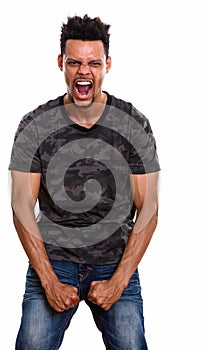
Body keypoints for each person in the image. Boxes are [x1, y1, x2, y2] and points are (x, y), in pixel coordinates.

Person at [9, 14, 160, 350]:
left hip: (114, 263)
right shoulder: (35, 126)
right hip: (54, 261)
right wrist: (48, 281)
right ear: (61, 63)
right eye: (74, 62)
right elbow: (21, 205)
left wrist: (119, 282)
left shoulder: (132, 124)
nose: (83, 72)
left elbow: (149, 207)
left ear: (107, 64)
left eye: (93, 63)